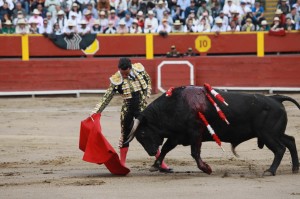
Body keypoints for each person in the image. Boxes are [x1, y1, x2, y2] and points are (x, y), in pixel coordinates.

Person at [90, 58, 171, 172]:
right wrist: (96, 111)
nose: (124, 75)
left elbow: (147, 80)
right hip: (127, 111)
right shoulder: (116, 79)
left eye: (126, 73)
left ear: (130, 68)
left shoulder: (139, 70)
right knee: (126, 136)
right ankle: (122, 164)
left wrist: (146, 94)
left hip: (142, 110)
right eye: (122, 73)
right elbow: (106, 97)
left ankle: (160, 162)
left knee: (149, 134)